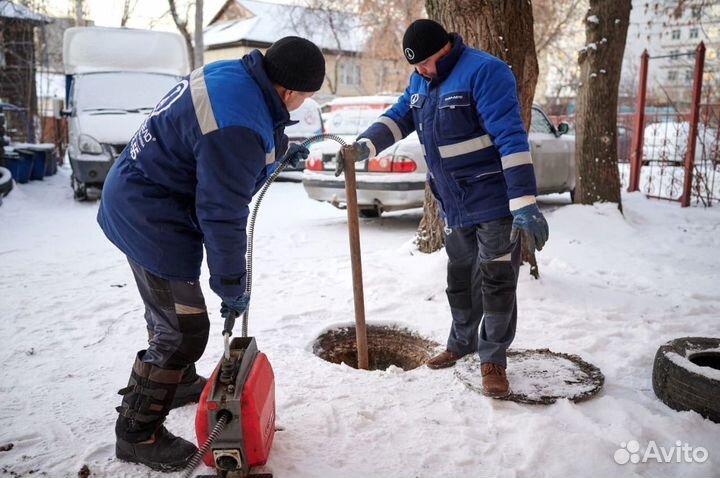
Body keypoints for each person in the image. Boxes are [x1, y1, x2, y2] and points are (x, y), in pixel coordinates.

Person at [97, 36, 325, 471]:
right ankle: (137, 433)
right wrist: (231, 282)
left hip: (146, 193)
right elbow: (222, 210)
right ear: (290, 92)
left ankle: (177, 381)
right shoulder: (237, 124)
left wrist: (273, 154)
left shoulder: (234, 74)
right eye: (306, 98)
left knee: (170, 316)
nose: (304, 105)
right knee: (183, 330)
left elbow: (219, 148)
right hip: (150, 215)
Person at [344, 20, 548, 398]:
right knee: (459, 279)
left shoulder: (485, 72)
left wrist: (525, 205)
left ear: (446, 49)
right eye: (415, 67)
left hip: (493, 200)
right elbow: (401, 115)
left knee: (497, 280)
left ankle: (493, 360)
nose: (421, 72)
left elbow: (511, 138)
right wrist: (365, 146)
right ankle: (461, 342)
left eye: (426, 63)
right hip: (453, 203)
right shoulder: (420, 80)